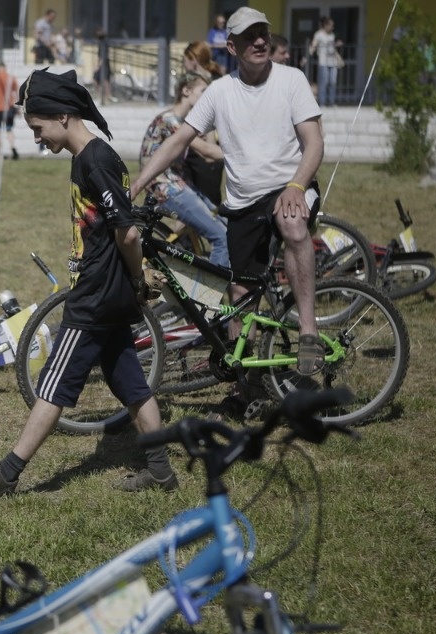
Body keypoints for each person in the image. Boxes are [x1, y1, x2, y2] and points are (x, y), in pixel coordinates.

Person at [0, 68, 176, 496]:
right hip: (107, 290)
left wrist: (135, 277)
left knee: (53, 383)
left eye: (38, 128)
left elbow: (127, 231)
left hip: (97, 294)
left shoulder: (95, 158)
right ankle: (161, 469)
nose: (38, 138)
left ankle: (6, 474)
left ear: (62, 116)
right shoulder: (90, 157)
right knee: (130, 381)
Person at [131, 7, 325, 382]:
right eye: (249, 36)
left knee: (292, 222)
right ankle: (245, 387)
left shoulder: (291, 80)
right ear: (231, 46)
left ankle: (308, 331)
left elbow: (314, 142)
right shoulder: (220, 91)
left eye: (263, 33)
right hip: (241, 205)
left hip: (290, 186)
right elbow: (177, 142)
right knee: (239, 293)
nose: (259, 41)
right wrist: (138, 184)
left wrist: (297, 185)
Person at [139, 72, 228, 267]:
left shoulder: (180, 120)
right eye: (204, 91)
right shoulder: (171, 120)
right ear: (186, 91)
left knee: (227, 224)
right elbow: (206, 151)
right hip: (166, 189)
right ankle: (210, 295)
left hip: (177, 184)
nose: (208, 96)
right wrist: (243, 155)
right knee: (222, 237)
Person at [180, 41, 225, 206]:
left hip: (208, 148)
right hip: (192, 147)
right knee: (189, 204)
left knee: (210, 205)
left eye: (184, 59)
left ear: (193, 59)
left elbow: (214, 115)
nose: (183, 64)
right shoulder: (191, 80)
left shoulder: (214, 81)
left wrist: (210, 146)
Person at [310, 17, 343, 107]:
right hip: (323, 61)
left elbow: (332, 47)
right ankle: (322, 102)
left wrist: (337, 45)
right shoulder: (318, 34)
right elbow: (314, 44)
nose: (332, 28)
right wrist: (311, 50)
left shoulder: (332, 35)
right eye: (331, 25)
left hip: (333, 61)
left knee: (332, 82)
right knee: (323, 82)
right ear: (325, 25)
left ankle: (332, 102)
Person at [93, 28, 117, 104]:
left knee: (104, 80)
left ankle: (106, 96)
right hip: (104, 64)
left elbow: (103, 56)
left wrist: (98, 66)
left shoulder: (104, 43)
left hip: (103, 65)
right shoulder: (103, 42)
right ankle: (103, 96)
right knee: (100, 80)